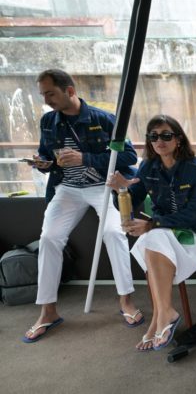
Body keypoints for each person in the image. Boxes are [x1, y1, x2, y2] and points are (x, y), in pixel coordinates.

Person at [22, 69, 141, 343]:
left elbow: (129, 156)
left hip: (103, 186)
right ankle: (48, 311)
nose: (46, 99)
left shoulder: (104, 119)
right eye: (43, 94)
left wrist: (85, 158)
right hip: (67, 189)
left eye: (50, 93)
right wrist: (42, 163)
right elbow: (45, 153)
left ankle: (126, 300)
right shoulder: (49, 121)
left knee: (114, 232)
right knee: (49, 238)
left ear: (70, 91)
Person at [107, 114, 196, 351]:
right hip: (166, 232)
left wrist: (151, 224)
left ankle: (160, 319)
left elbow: (194, 214)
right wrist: (120, 191)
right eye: (153, 136)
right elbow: (127, 204)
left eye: (166, 135)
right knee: (153, 240)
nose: (159, 140)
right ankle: (163, 315)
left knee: (152, 237)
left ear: (178, 139)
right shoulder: (148, 167)